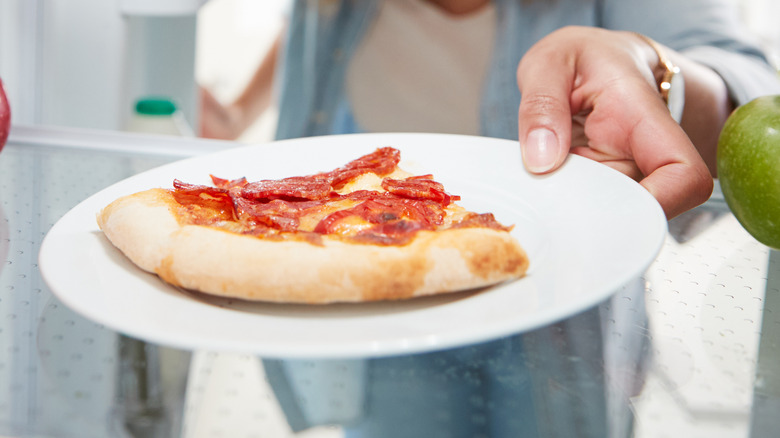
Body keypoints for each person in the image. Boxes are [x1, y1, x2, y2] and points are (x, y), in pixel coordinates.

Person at [200, 0, 780, 219]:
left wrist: (649, 68)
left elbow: (754, 89)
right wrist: (238, 110)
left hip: (561, 325)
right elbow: (303, 29)